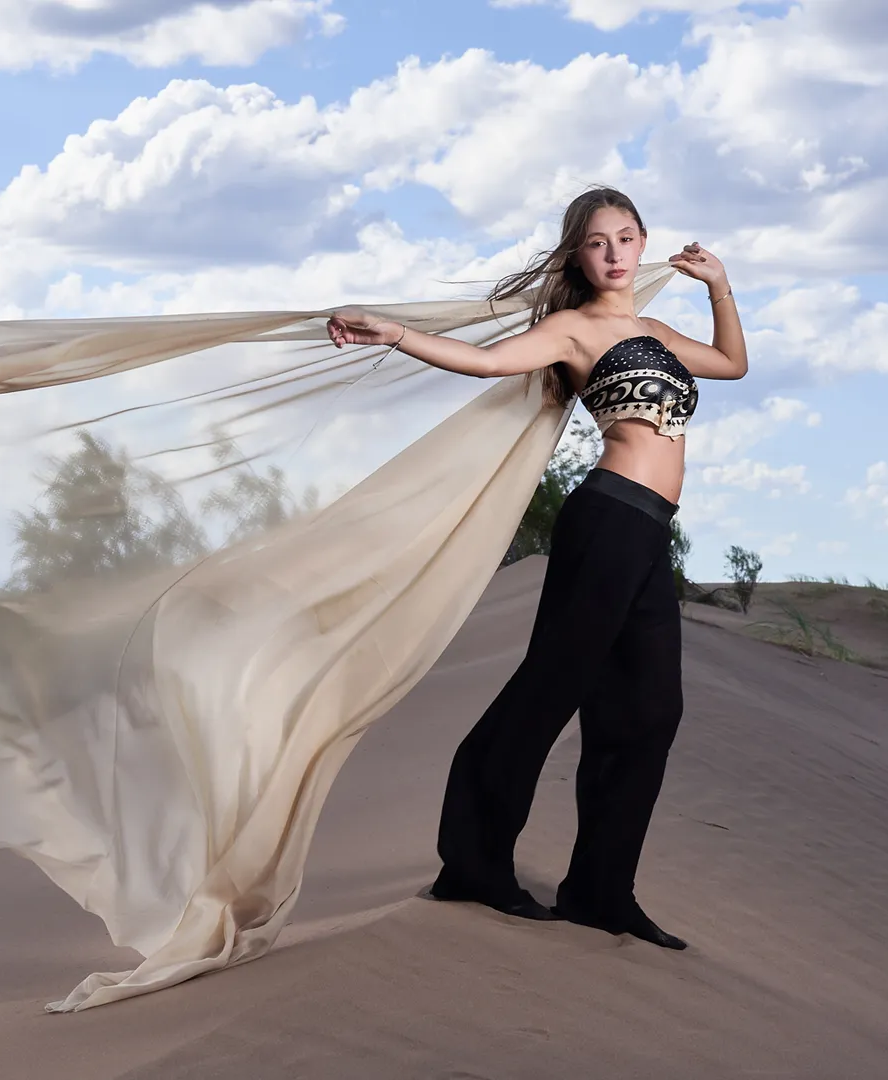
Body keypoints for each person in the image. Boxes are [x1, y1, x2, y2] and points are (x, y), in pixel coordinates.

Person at [324, 186, 748, 948]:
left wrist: (719, 285)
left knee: (652, 709)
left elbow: (731, 363)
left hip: (651, 532)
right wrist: (397, 332)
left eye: (626, 237)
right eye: (597, 242)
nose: (614, 254)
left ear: (643, 241)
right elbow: (486, 363)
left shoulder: (656, 330)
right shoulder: (573, 329)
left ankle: (601, 891)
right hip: (607, 520)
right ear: (578, 256)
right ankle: (475, 863)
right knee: (550, 690)